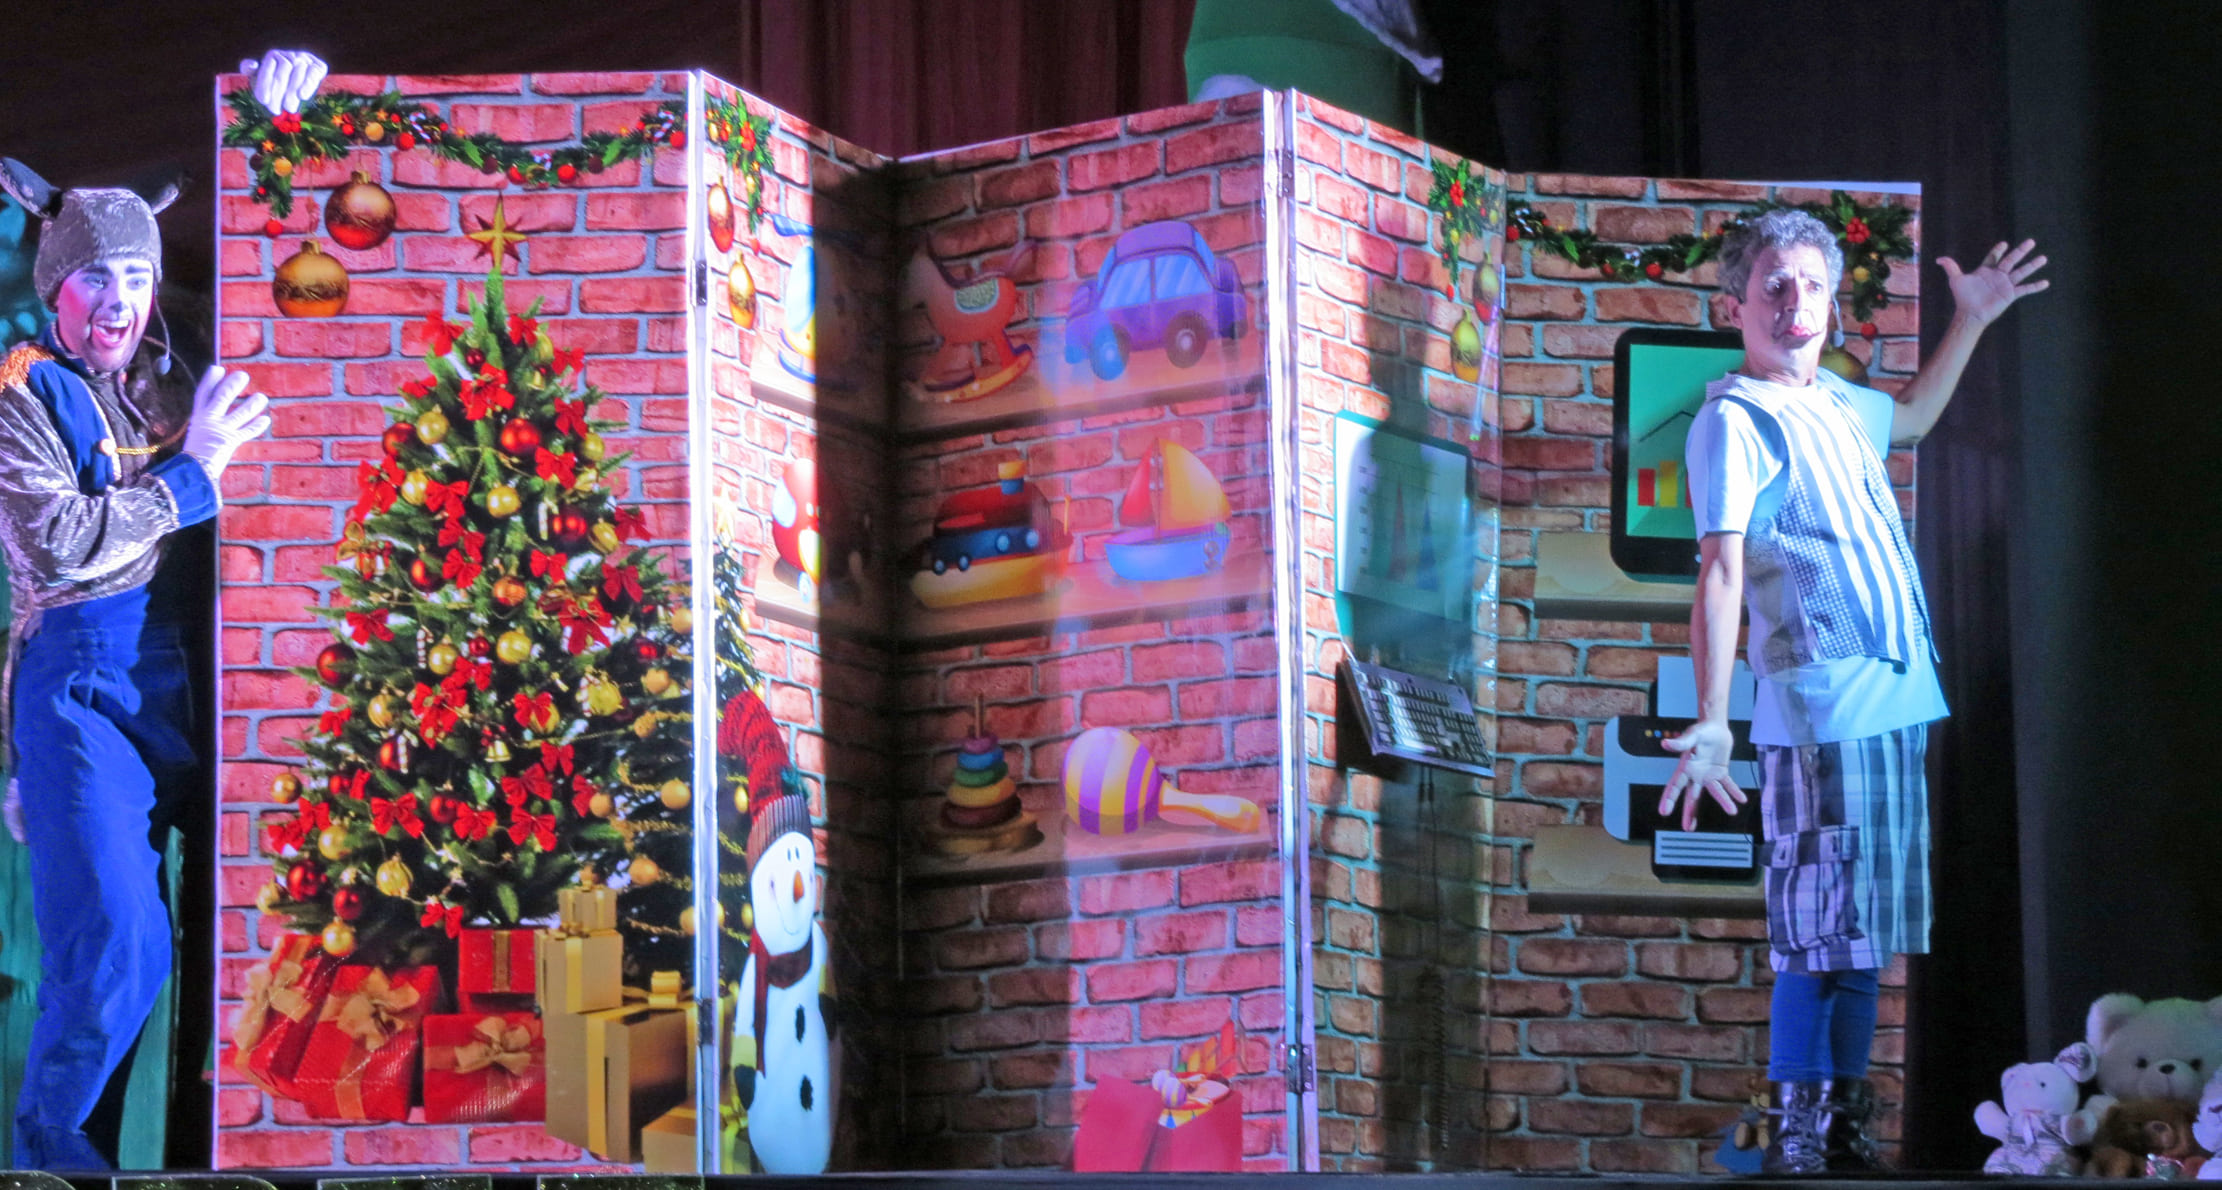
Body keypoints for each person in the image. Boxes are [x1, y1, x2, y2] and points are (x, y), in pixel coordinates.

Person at [1658, 208, 2047, 1173]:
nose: (1797, 303)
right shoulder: (1736, 419)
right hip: (1822, 706)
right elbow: (1720, 570)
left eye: (1813, 286)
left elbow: (1908, 418)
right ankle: (1797, 1141)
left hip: (1894, 703)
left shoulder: (1831, 399)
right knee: (1817, 935)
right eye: (1775, 286)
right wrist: (1712, 718)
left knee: (1864, 939)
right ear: (1735, 306)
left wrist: (1973, 320)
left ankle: (1839, 1137)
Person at [0, 48, 318, 1170]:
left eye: (133, 277)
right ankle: (56, 1163)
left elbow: (298, 280)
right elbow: (58, 542)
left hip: (213, 675)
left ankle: (209, 1161)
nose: (119, 303)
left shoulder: (183, 341)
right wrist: (194, 476)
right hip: (87, 691)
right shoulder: (24, 390)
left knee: (253, 952)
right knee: (117, 951)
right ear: (56, 286)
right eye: (95, 280)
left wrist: (282, 124)